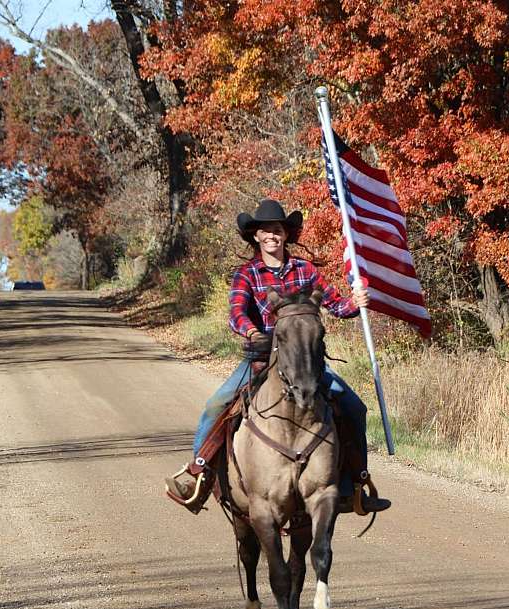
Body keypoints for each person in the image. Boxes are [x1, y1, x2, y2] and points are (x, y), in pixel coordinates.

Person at [166, 199, 390, 514]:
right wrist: (251, 332)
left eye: (278, 230)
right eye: (265, 231)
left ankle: (355, 484)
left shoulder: (305, 270)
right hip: (261, 359)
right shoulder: (247, 274)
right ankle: (198, 475)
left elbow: (336, 305)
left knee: (353, 408)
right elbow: (236, 314)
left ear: (286, 234)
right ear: (255, 236)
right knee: (216, 405)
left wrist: (356, 302)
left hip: (306, 362)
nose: (272, 235)